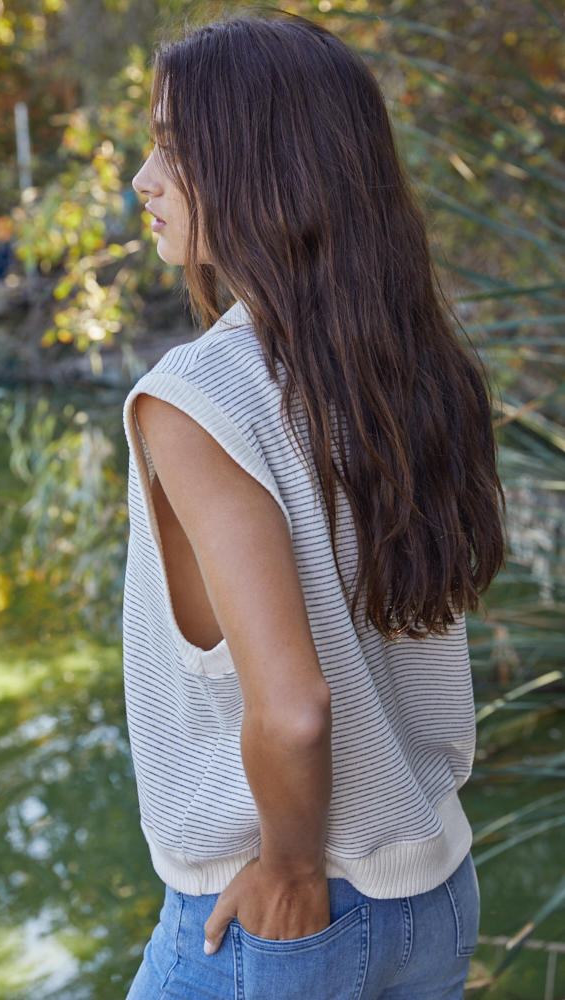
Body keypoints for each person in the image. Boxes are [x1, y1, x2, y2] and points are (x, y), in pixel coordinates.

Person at [123, 12, 504, 1000]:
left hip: (284, 919)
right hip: (433, 896)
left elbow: (294, 712)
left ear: (265, 167)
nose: (141, 179)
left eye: (171, 146)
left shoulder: (197, 397)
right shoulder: (411, 369)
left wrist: (290, 872)